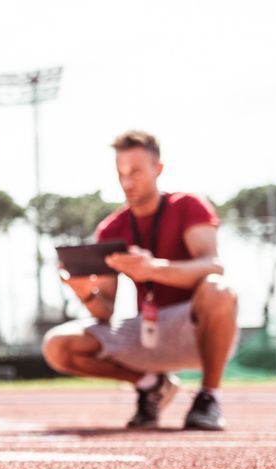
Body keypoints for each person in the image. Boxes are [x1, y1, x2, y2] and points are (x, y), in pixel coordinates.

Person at [42, 129, 239, 430]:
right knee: (57, 345)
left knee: (219, 289)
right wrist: (86, 294)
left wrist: (152, 269)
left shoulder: (188, 206)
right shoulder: (111, 228)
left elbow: (212, 266)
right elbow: (105, 312)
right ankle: (151, 385)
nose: (127, 182)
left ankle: (208, 397)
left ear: (158, 169)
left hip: (192, 328)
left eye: (135, 172)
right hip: (145, 331)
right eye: (121, 173)